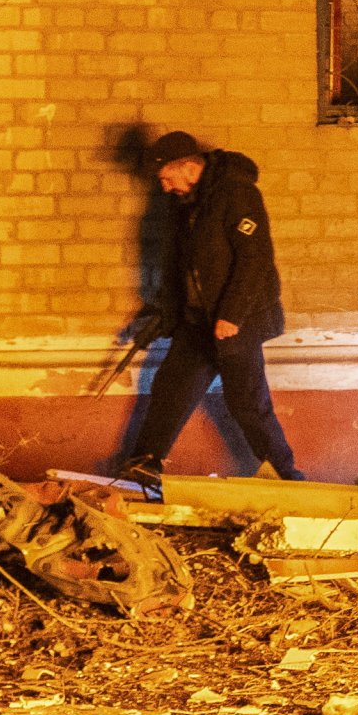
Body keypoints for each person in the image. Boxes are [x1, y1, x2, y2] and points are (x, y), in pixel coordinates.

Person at [109, 132, 302, 485]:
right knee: (171, 391)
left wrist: (232, 315)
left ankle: (287, 476)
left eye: (167, 178)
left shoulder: (237, 195)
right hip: (197, 322)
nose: (164, 187)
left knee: (247, 404)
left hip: (236, 323)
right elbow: (179, 266)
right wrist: (164, 314)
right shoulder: (186, 204)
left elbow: (254, 261)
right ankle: (143, 466)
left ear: (189, 167)